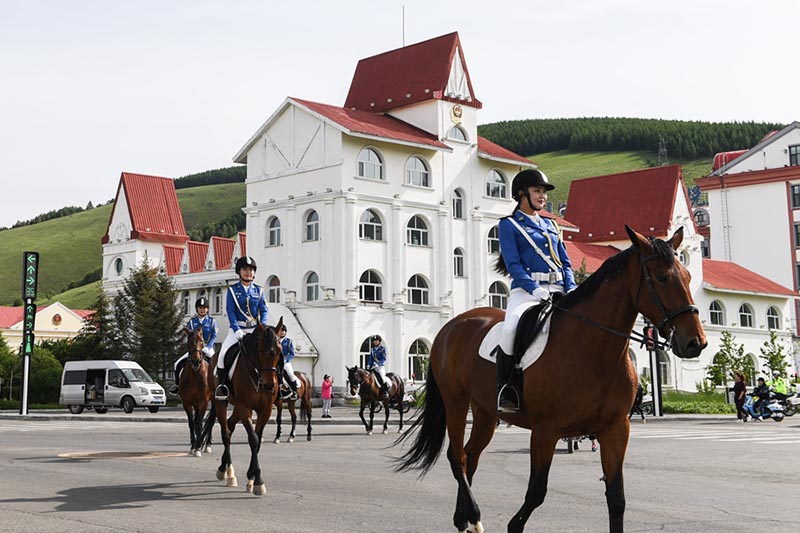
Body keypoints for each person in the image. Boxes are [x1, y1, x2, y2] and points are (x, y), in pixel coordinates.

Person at [495, 169, 577, 413]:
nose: (542, 196)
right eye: (537, 191)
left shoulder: (551, 225)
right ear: (522, 194)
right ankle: (507, 387)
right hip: (526, 290)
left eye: (543, 192)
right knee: (510, 328)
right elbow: (513, 264)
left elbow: (565, 261)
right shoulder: (509, 225)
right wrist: (533, 289)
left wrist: (571, 286)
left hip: (560, 287)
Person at [214, 256, 268, 400]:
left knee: (271, 352)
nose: (248, 272)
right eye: (245, 269)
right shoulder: (232, 291)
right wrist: (237, 329)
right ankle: (222, 386)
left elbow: (264, 311)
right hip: (237, 330)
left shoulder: (259, 291)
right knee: (223, 355)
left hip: (255, 330)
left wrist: (262, 326)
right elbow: (230, 312)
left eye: (251, 270)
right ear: (239, 272)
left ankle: (279, 384)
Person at [169, 297, 217, 394]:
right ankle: (177, 386)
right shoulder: (192, 322)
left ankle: (217, 386)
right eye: (200, 308)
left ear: (207, 309)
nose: (202, 310)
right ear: (197, 309)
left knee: (216, 364)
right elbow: (190, 336)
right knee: (177, 364)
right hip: (195, 349)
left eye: (204, 308)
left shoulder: (212, 321)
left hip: (208, 348)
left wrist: (208, 347)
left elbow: (214, 336)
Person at [278, 324, 300, 401]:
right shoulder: (275, 341)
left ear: (285, 332)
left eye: (283, 331)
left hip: (285, 362)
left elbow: (291, 354)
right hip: (276, 362)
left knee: (290, 374)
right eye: (280, 330)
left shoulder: (288, 341)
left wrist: (285, 360)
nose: (281, 332)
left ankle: (294, 391)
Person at [367, 334, 390, 399]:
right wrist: (369, 365)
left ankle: (385, 392)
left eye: (376, 340)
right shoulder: (372, 349)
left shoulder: (382, 349)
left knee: (383, 378)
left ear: (379, 341)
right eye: (374, 341)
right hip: (373, 367)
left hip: (380, 367)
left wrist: (378, 364)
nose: (375, 342)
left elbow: (384, 358)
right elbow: (371, 358)